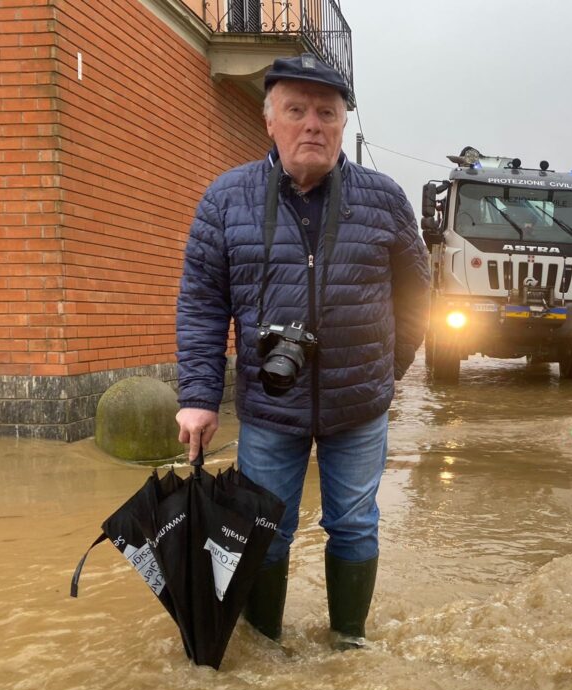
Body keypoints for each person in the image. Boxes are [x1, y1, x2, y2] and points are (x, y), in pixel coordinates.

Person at [174, 53, 430, 650]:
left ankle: (348, 644)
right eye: (296, 110)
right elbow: (202, 305)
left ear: (343, 124)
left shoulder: (384, 199)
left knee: (355, 524)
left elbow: (418, 295)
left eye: (327, 112)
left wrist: (387, 371)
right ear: (270, 121)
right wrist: (197, 398)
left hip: (358, 406)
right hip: (268, 406)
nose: (312, 124)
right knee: (264, 530)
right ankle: (265, 650)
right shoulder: (225, 200)